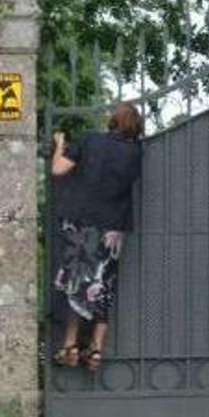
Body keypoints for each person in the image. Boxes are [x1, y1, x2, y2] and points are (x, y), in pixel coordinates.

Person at [51, 103, 144, 371]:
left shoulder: (90, 141)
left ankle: (69, 346)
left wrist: (59, 144)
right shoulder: (135, 152)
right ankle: (96, 351)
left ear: (112, 120)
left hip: (84, 225)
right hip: (113, 230)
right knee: (103, 285)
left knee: (76, 281)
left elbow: (58, 169)